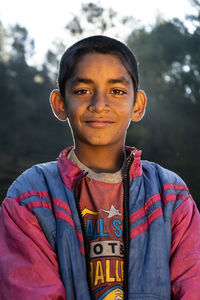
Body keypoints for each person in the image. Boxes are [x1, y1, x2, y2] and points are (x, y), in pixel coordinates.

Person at [0, 35, 200, 300]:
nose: (99, 104)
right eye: (83, 91)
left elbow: (192, 285)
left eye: (116, 91)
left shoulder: (169, 195)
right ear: (60, 104)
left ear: (137, 105)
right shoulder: (31, 195)